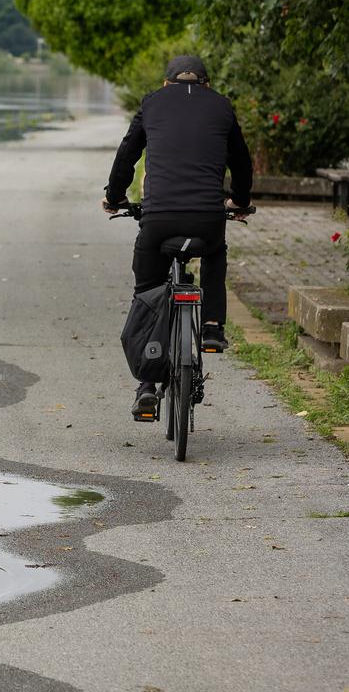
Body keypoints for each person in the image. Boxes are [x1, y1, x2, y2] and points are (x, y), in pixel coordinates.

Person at [102, 55, 253, 421]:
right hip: (207, 218)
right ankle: (213, 328)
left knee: (148, 291)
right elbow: (242, 161)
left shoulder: (152, 102)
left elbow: (128, 153)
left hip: (159, 221)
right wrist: (240, 201)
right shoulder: (221, 105)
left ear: (167, 82)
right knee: (215, 252)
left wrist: (115, 195)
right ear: (206, 83)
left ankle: (147, 386)